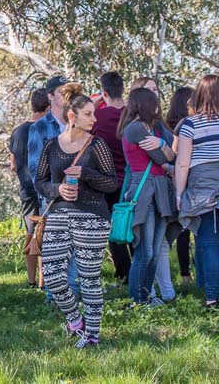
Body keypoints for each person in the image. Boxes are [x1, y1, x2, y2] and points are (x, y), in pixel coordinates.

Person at [35, 83, 117, 348]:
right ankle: (75, 320)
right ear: (72, 116)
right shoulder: (52, 146)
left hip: (92, 216)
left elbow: (112, 183)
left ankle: (92, 336)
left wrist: (88, 175)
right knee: (53, 273)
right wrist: (57, 188)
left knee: (89, 278)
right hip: (59, 214)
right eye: (89, 114)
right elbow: (39, 182)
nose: (94, 119)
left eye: (94, 114)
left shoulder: (97, 145)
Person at [175, 75, 219, 307]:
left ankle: (212, 299)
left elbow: (182, 163)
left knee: (209, 244)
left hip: (204, 192)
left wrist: (179, 193)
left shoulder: (191, 124)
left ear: (200, 94)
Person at [118, 88, 178, 304]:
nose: (157, 108)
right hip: (144, 191)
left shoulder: (153, 129)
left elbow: (172, 155)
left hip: (160, 189)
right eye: (153, 103)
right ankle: (138, 299)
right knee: (145, 251)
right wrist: (166, 151)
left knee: (154, 250)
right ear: (143, 104)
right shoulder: (134, 129)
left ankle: (147, 297)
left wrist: (163, 146)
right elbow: (162, 158)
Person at [27, 76, 80, 297]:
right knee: (55, 253)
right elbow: (34, 168)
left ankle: (74, 295)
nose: (67, 96)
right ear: (50, 96)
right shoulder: (39, 128)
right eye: (61, 92)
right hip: (52, 198)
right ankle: (54, 299)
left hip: (79, 195)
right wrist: (55, 189)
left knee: (76, 251)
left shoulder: (78, 122)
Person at [91, 72, 132, 284]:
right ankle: (140, 268)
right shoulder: (132, 115)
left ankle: (124, 272)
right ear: (123, 89)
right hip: (133, 179)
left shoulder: (99, 117)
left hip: (107, 181)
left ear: (104, 92)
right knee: (134, 225)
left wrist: (94, 105)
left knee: (114, 228)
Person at [9, 88, 49, 288]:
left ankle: (32, 280)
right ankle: (44, 282)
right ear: (49, 106)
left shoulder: (18, 131)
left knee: (31, 232)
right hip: (45, 188)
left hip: (26, 190)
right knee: (45, 234)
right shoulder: (46, 129)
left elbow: (13, 164)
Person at [165, 87, 195, 285]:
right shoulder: (191, 125)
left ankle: (184, 274)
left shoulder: (165, 126)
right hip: (188, 178)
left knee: (181, 229)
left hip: (171, 179)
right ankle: (187, 274)